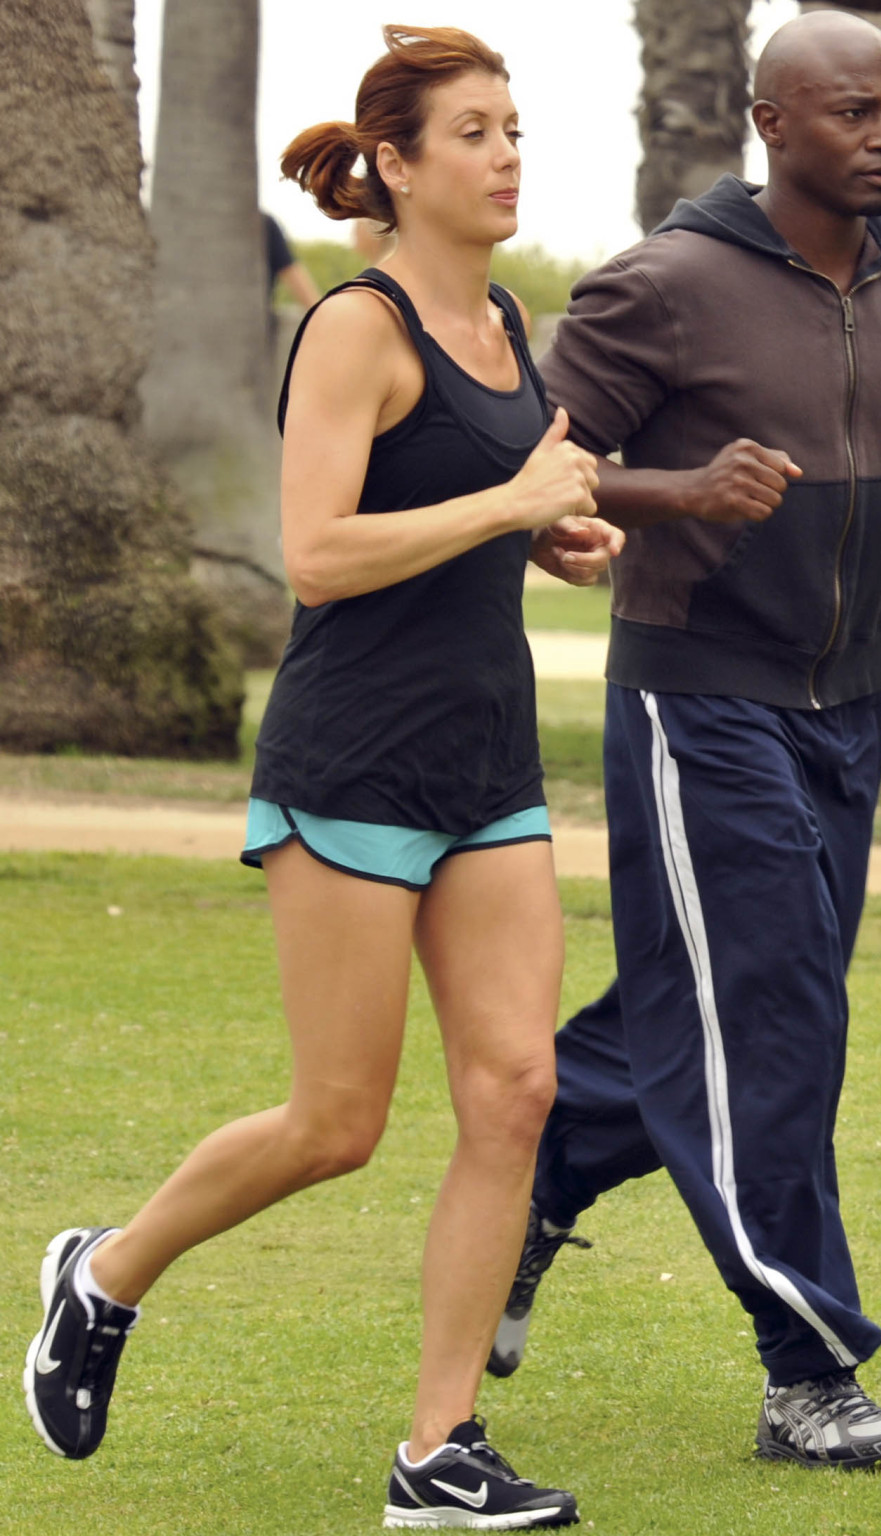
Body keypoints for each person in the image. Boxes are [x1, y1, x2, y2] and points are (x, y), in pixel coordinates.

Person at [23, 25, 622, 1530]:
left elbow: (474, 511)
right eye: (474, 133)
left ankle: (439, 1451)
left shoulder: (502, 322)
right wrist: (506, 498)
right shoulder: (357, 327)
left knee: (515, 1088)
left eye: (514, 127)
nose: (506, 155)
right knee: (336, 1122)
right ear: (399, 167)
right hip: (352, 757)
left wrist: (550, 533)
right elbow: (318, 554)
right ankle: (102, 1274)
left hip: (485, 755)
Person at [484, 9, 881, 1473]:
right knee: (773, 1013)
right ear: (771, 123)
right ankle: (809, 1366)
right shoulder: (664, 284)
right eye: (853, 112)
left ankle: (535, 1177)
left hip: (846, 705)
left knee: (732, 1001)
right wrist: (676, 492)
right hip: (697, 694)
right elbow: (529, 468)